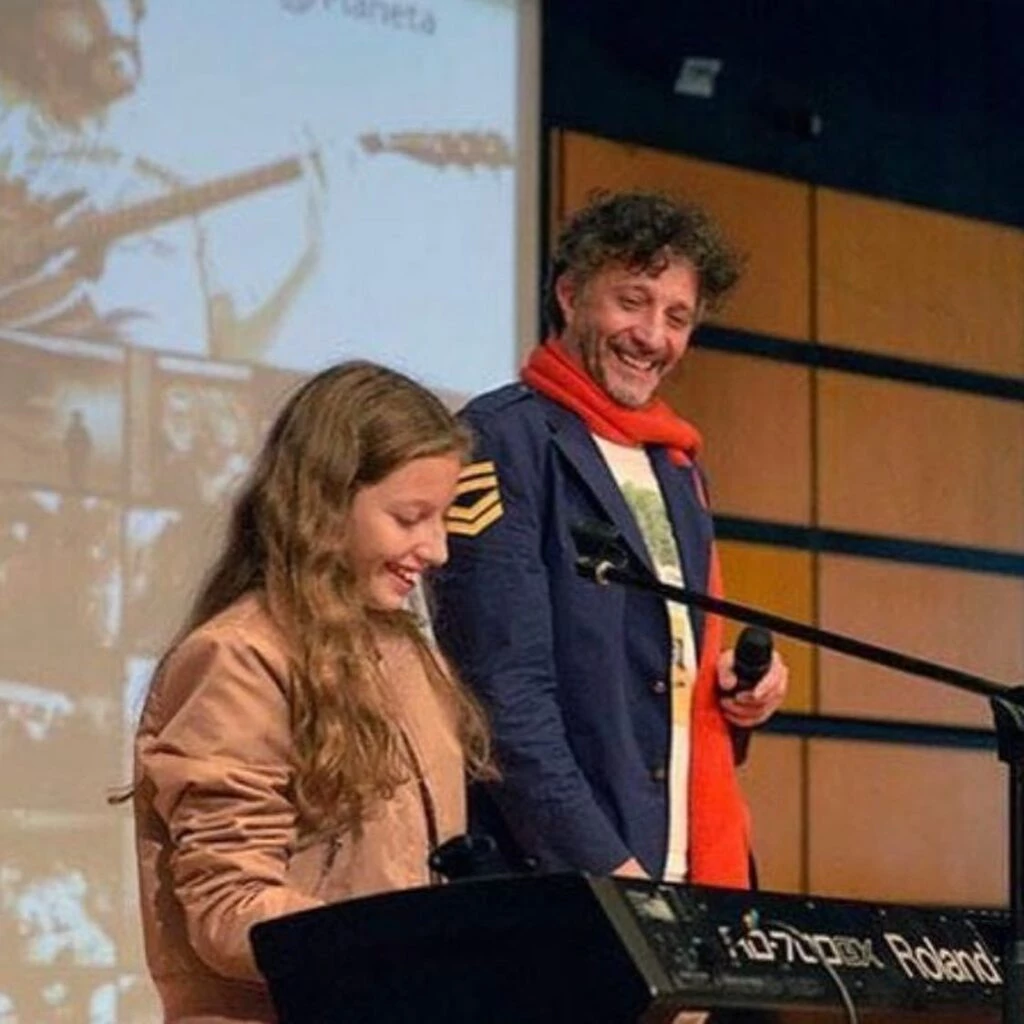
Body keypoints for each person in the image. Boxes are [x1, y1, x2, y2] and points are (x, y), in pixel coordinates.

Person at [432, 190, 788, 889]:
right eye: (632, 302)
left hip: (685, 865)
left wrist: (738, 694)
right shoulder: (500, 440)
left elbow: (665, 664)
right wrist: (605, 874)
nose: (652, 336)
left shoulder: (677, 464)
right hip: (567, 880)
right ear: (570, 295)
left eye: (677, 317)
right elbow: (502, 697)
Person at [129, 361, 492, 1023]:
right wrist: (410, 955)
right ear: (324, 504)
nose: (437, 549)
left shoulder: (409, 655)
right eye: (410, 518)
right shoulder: (238, 657)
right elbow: (231, 908)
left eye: (442, 518)